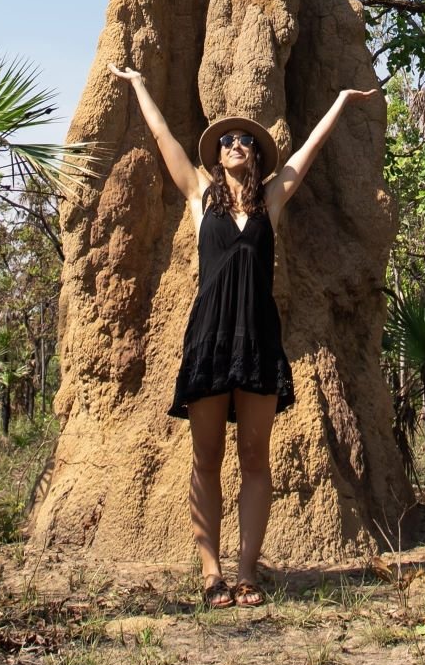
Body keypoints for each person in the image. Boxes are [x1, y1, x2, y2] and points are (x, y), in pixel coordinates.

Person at [110, 66, 379, 605]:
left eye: (244, 141)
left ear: (256, 156)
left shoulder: (271, 202)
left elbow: (308, 151)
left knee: (256, 460)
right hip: (208, 337)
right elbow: (164, 139)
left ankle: (248, 572)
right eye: (227, 140)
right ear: (216, 157)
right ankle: (212, 574)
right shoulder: (199, 196)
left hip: (257, 337)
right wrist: (141, 84)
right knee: (206, 459)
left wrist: (342, 102)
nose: (235, 144)